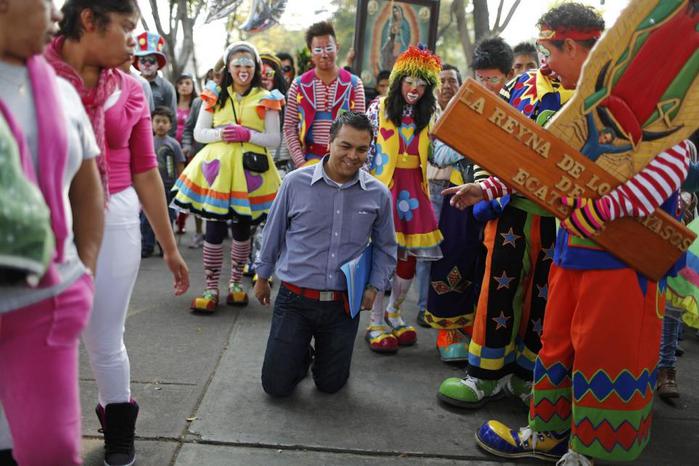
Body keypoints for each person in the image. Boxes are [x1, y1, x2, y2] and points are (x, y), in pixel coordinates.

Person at [448, 4, 689, 464]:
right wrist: (490, 185)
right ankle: (548, 433)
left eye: (549, 52)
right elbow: (542, 170)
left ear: (575, 48)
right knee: (557, 343)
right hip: (572, 253)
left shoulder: (638, 96)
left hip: (623, 263)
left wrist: (604, 209)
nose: (544, 64)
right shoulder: (575, 104)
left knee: (609, 354)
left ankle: (591, 451)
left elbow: (676, 157)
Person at [45, 2, 190, 465]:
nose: (133, 41)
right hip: (43, 215)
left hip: (119, 212)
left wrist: (169, 247)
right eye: (127, 28)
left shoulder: (132, 88)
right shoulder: (33, 74)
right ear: (90, 20)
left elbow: (147, 167)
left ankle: (119, 429)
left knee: (104, 333)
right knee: (37, 334)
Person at [0, 1, 104, 464]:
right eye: (45, 2)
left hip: (42, 304)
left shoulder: (61, 94)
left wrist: (83, 270)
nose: (57, 15)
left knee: (53, 451)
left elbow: (88, 189)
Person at [436, 31, 560, 411]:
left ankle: (528, 376)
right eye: (547, 47)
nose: (549, 58)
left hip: (561, 220)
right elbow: (487, 143)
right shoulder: (520, 86)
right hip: (511, 214)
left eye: (558, 48)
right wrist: (484, 185)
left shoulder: (590, 95)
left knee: (546, 300)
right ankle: (484, 375)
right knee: (496, 292)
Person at [254, 112, 397, 397]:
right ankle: (299, 353)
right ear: (329, 143)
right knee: (276, 387)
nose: (353, 155)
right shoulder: (295, 182)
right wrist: (262, 275)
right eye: (345, 145)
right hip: (295, 300)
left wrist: (374, 286)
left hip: (343, 305)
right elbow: (274, 231)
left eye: (361, 149)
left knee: (330, 385)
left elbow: (386, 247)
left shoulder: (378, 194)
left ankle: (317, 355)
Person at [172, 41, 284, 312]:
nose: (243, 69)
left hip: (251, 171)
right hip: (217, 173)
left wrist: (248, 135)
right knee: (214, 228)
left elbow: (274, 139)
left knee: (243, 229)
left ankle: (235, 285)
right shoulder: (214, 95)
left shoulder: (267, 97)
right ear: (228, 68)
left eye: (248, 64)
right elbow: (200, 133)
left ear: (256, 67)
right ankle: (211, 287)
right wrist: (222, 133)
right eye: (237, 65)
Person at [365, 45, 443, 353]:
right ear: (399, 81)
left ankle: (394, 312)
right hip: (384, 189)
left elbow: (438, 152)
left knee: (408, 260)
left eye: (422, 85)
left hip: (416, 193)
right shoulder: (379, 109)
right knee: (383, 256)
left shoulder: (429, 115)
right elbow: (367, 151)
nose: (415, 89)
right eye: (410, 82)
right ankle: (375, 321)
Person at [283, 21, 366, 168]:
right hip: (308, 160)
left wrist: (350, 161)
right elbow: (289, 127)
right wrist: (301, 163)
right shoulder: (299, 84)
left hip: (344, 163)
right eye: (318, 50)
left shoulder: (354, 84)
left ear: (337, 47)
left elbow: (361, 128)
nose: (324, 54)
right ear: (310, 51)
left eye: (329, 48)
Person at [141, 106, 186, 257]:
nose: (160, 125)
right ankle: (147, 246)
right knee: (146, 218)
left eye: (164, 122)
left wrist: (180, 186)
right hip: (150, 187)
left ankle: (164, 246)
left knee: (167, 217)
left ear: (170, 125)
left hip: (169, 187)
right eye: (157, 121)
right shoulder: (147, 142)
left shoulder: (174, 144)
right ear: (151, 123)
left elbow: (180, 165)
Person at [133, 31, 177, 134]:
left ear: (158, 64)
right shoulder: (132, 84)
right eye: (143, 60)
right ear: (138, 64)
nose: (147, 64)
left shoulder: (167, 87)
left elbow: (172, 118)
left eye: (151, 60)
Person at [173, 73, 197, 235]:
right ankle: (173, 218)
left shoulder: (196, 105)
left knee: (187, 188)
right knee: (172, 185)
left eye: (188, 83)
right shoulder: (172, 104)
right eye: (181, 83)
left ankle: (182, 220)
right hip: (172, 151)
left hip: (190, 152)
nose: (184, 86)